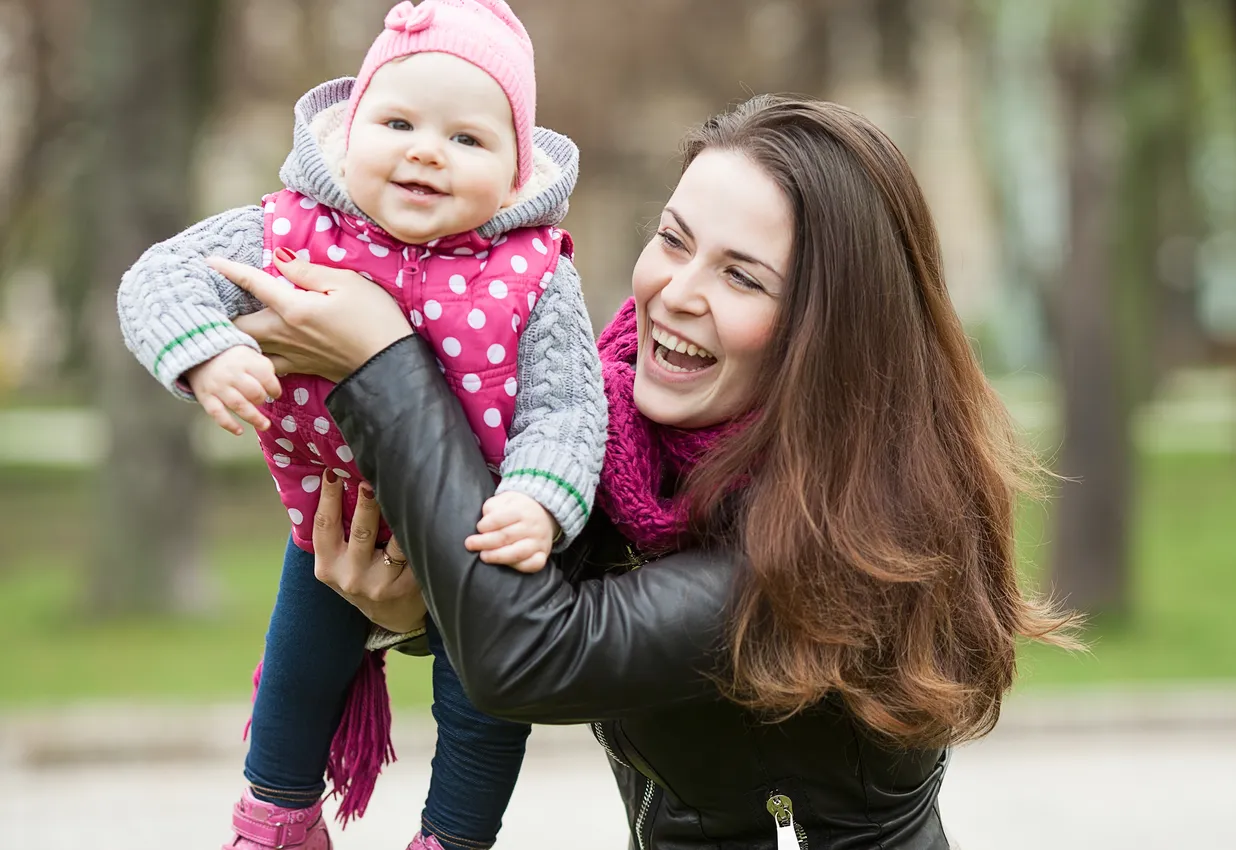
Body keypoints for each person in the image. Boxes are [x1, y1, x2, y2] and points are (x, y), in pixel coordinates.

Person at [209, 94, 1080, 849]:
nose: (675, 291)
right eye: (674, 239)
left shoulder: (845, 532)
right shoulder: (616, 444)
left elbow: (531, 653)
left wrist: (384, 363)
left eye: (742, 276)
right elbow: (539, 607)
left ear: (830, 337)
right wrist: (415, 612)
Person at [115, 2, 606, 848]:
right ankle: (279, 815)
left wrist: (539, 497)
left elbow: (567, 406)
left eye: (467, 139)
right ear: (350, 133)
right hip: (336, 517)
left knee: (485, 703)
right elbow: (160, 279)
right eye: (398, 121)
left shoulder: (532, 274)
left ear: (517, 173)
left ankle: (451, 836)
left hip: (478, 539)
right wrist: (205, 352)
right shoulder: (295, 229)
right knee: (297, 671)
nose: (424, 149)